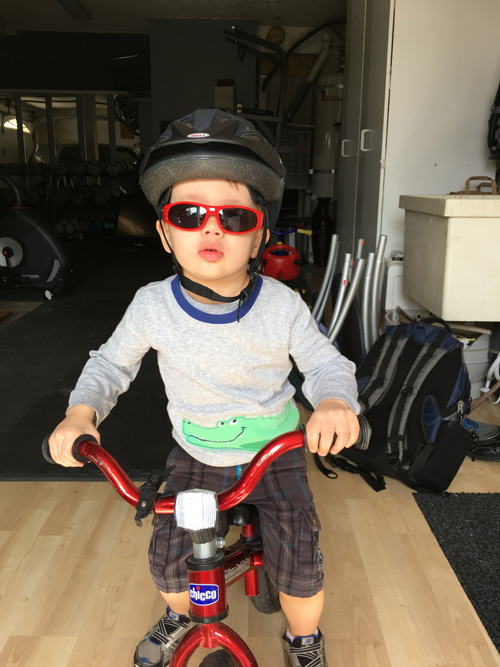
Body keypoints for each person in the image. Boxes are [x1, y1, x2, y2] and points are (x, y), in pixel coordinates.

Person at [48, 108, 360, 667]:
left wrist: (334, 401)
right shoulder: (152, 306)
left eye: (234, 217)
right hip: (196, 455)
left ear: (259, 236)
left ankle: (304, 639)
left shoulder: (282, 306)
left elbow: (325, 364)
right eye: (189, 214)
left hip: (276, 452)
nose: (211, 228)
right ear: (165, 233)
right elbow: (110, 365)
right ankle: (181, 616)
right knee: (170, 563)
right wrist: (80, 413)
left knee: (299, 561)